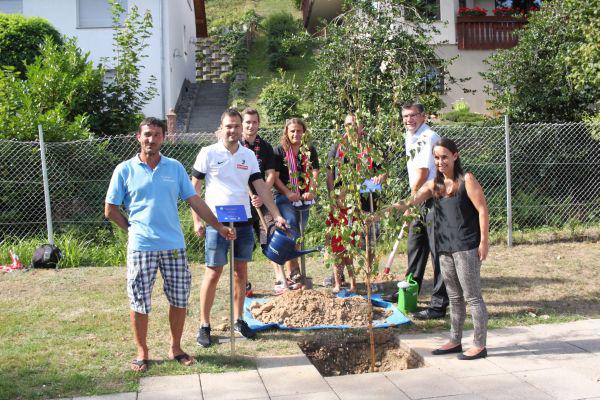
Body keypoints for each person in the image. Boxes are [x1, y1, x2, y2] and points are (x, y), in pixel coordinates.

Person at [104, 117, 236, 372]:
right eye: (146, 134)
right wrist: (132, 229)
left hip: (174, 246)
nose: (151, 139)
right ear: (138, 137)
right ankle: (142, 351)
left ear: (163, 138)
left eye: (156, 135)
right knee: (139, 300)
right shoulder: (124, 169)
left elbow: (195, 201)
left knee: (178, 298)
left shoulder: (174, 168)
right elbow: (110, 210)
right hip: (141, 247)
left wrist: (218, 226)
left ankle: (176, 347)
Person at [191, 109, 287, 347]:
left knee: (240, 273)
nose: (232, 130)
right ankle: (204, 325)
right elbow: (194, 189)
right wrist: (197, 220)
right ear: (221, 128)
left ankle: (239, 319)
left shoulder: (248, 156)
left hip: (243, 221)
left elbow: (261, 188)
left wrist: (276, 215)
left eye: (236, 126)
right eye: (228, 126)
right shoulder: (208, 153)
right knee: (213, 272)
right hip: (217, 223)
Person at [388, 137, 489, 360]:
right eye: (436, 158)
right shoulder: (435, 185)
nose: (440, 161)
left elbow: (482, 210)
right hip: (444, 247)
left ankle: (480, 345)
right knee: (453, 297)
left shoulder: (466, 180)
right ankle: (455, 340)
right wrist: (382, 211)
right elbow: (410, 202)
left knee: (472, 297)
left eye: (444, 156)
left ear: (455, 155)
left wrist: (484, 242)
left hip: (466, 246)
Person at [325, 113, 387, 293]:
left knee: (368, 242)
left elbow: (383, 171)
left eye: (355, 124)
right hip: (343, 203)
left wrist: (380, 177)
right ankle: (341, 279)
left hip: (367, 202)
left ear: (362, 128)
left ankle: (369, 278)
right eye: (347, 125)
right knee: (341, 241)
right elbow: (329, 172)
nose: (351, 128)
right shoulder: (337, 146)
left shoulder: (370, 147)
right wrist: (332, 196)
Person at [402, 102, 449, 320]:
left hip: (432, 199)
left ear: (423, 116)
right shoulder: (409, 135)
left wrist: (410, 201)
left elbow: (422, 173)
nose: (408, 120)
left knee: (436, 251)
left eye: (413, 116)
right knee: (415, 245)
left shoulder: (427, 136)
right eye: (405, 116)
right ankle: (409, 290)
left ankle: (439, 304)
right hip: (419, 197)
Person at [240, 108, 285, 295]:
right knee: (244, 242)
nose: (251, 126)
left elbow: (271, 174)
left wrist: (262, 194)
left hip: (263, 200)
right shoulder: (236, 147)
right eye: (247, 122)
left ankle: (280, 279)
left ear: (259, 124)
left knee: (270, 234)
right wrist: (251, 195)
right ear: (242, 124)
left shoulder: (265, 147)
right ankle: (244, 283)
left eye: (254, 122)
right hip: (242, 200)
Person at [273, 118, 319, 288]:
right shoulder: (279, 151)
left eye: (299, 131)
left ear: (303, 132)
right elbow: (275, 177)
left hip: (303, 199)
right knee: (291, 227)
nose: (296, 134)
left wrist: (311, 190)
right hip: (285, 197)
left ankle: (294, 271)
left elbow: (315, 172)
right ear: (286, 132)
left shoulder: (309, 150)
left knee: (299, 231)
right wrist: (287, 192)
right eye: (292, 131)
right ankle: (293, 269)